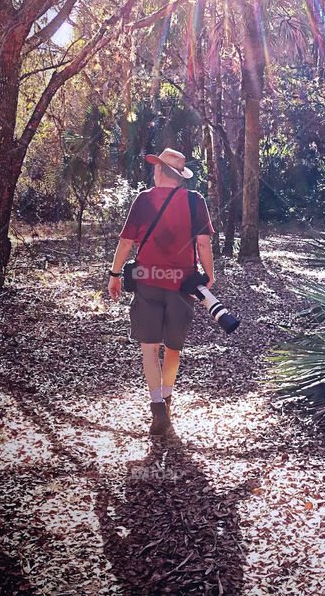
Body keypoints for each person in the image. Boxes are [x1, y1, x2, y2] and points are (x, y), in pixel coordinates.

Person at [108, 148, 214, 437]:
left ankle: (157, 407)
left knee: (149, 348)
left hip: (147, 282)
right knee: (173, 349)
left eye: (155, 168)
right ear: (179, 178)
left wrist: (115, 275)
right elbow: (203, 244)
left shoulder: (144, 199)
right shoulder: (195, 201)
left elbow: (127, 242)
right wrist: (209, 273)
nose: (153, 172)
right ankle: (166, 398)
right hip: (183, 285)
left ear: (159, 172)